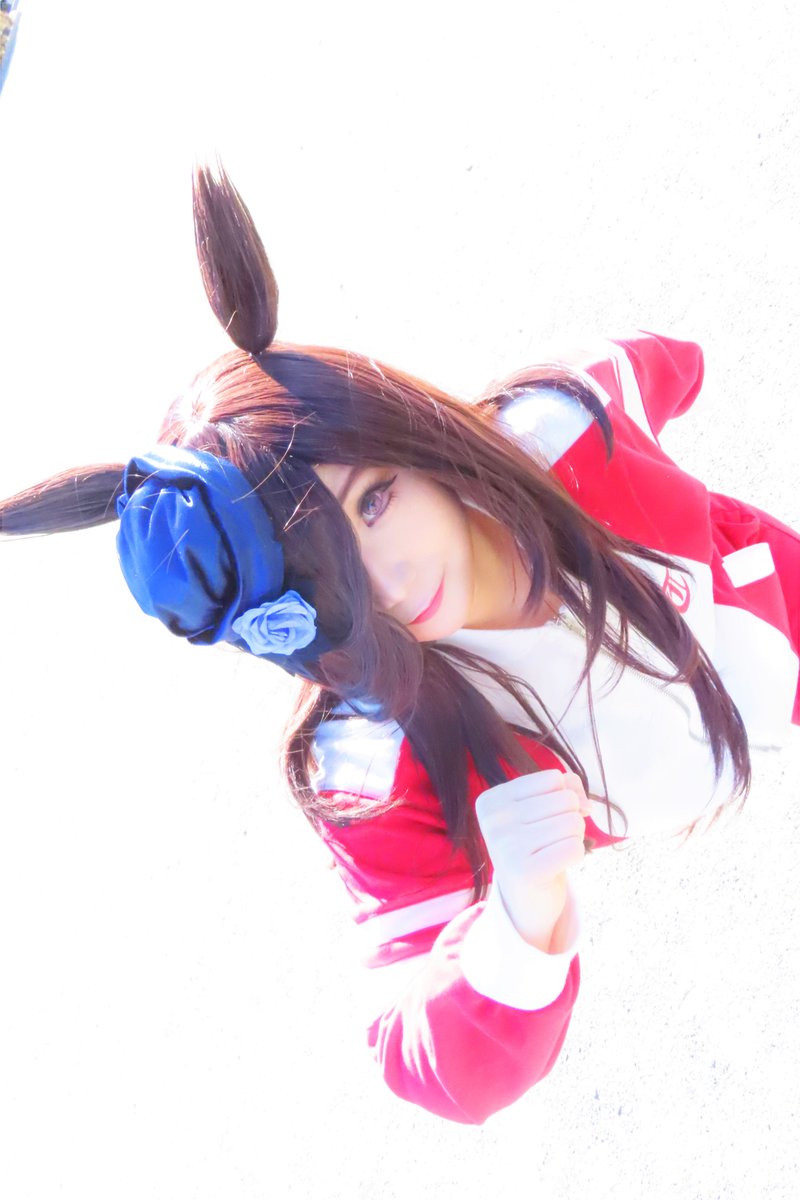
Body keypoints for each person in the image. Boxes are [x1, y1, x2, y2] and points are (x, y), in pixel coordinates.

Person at [1, 162, 797, 1125]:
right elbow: (426, 1055)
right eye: (319, 583)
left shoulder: (559, 428)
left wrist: (685, 373)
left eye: (374, 501)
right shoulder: (372, 759)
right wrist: (522, 916)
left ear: (407, 436)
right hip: (672, 771)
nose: (388, 584)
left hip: (772, 613)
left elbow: (656, 365)